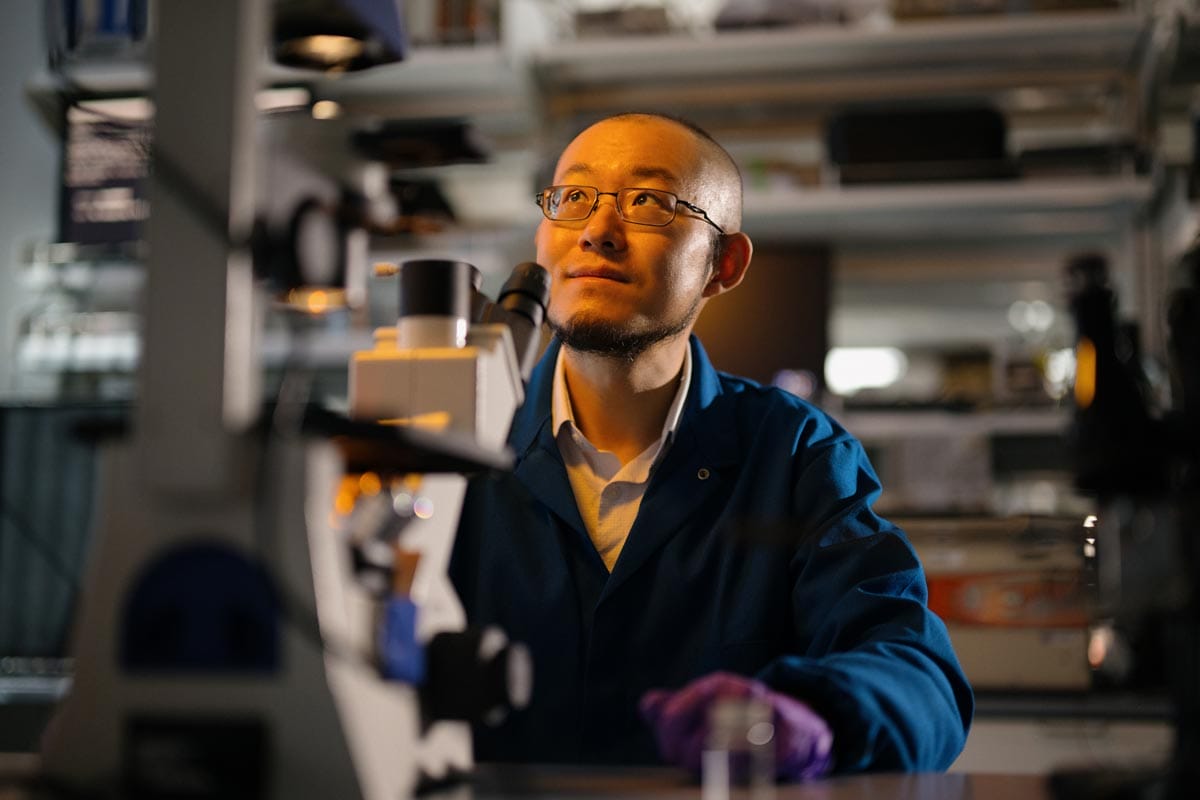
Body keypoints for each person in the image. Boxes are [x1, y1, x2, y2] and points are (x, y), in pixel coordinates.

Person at [449, 112, 973, 778]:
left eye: (649, 203)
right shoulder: (451, 439)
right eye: (574, 198)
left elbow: (919, 673)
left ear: (724, 264)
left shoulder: (797, 454)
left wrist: (818, 714)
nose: (598, 232)